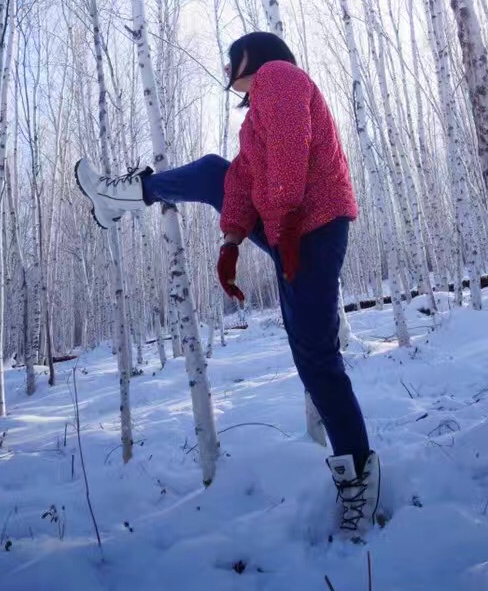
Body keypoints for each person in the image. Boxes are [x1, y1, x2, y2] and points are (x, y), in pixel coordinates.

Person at [74, 31, 380, 536]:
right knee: (311, 355)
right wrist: (231, 244)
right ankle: (125, 197)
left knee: (318, 359)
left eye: (229, 59)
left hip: (312, 226)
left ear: (251, 57)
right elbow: (239, 181)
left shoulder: (280, 77)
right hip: (295, 230)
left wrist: (279, 228)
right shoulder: (257, 112)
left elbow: (288, 155)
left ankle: (359, 484)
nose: (224, 69)